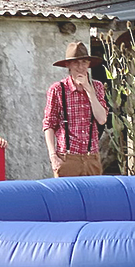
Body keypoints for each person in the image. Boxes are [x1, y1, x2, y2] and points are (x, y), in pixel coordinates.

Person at [42, 41, 107, 177]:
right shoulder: (57, 89)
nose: (80, 67)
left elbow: (102, 119)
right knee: (64, 192)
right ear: (68, 65)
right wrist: (53, 156)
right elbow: (49, 124)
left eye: (84, 62)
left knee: (94, 191)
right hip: (67, 158)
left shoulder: (97, 87)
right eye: (76, 62)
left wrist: (89, 91)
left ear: (89, 64)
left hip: (91, 157)